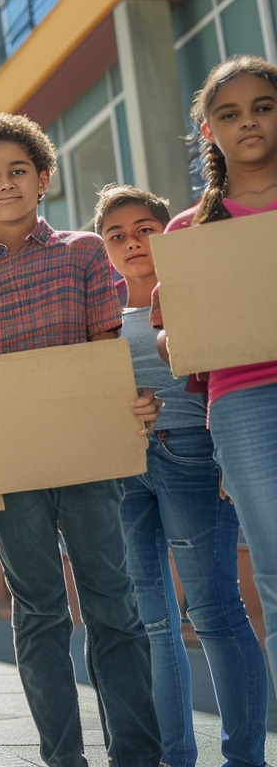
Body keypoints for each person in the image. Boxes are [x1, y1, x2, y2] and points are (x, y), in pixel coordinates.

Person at [0, 113, 162, 767]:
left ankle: (136, 757)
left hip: (88, 457)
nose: (5, 185)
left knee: (112, 608)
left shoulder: (83, 252)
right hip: (9, 469)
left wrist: (128, 404)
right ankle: (63, 758)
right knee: (38, 618)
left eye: (17, 171)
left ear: (43, 178)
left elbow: (104, 349)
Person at [92, 183, 267, 767]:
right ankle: (173, 757)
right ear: (105, 249)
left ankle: (244, 757)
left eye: (143, 227)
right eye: (115, 234)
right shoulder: (101, 316)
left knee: (214, 611)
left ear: (166, 233)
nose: (130, 241)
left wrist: (228, 455)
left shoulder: (195, 289)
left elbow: (228, 370)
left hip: (193, 453)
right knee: (151, 622)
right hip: (122, 469)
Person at [162, 54, 277, 692]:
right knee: (275, 570)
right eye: (229, 114)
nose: (249, 122)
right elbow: (176, 344)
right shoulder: (190, 231)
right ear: (208, 131)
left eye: (263, 106)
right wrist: (168, 326)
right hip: (242, 405)